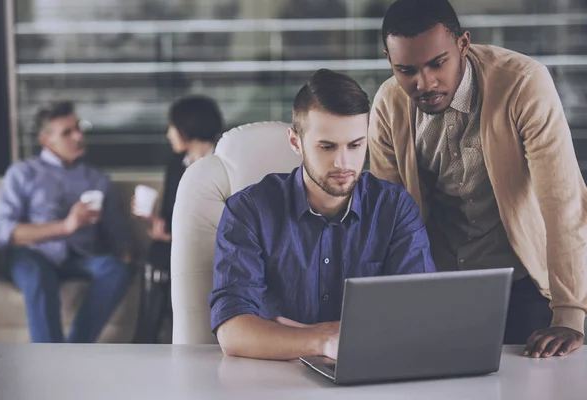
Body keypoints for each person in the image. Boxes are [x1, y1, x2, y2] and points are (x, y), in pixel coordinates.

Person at [368, 0, 587, 359]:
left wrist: (570, 313)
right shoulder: (388, 105)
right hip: (437, 286)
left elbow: (562, 200)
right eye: (406, 70)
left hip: (524, 283)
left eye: (437, 63)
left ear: (463, 45)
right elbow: (389, 219)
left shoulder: (524, 84)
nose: (425, 83)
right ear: (389, 60)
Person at [209, 69, 436, 361]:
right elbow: (233, 332)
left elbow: (417, 319)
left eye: (355, 145)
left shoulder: (394, 209)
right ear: (295, 142)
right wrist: (324, 340)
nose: (343, 162)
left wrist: (290, 335)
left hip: (369, 379)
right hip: (272, 383)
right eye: (327, 147)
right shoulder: (248, 211)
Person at [0, 100, 134, 343]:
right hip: (32, 255)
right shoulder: (23, 173)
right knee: (37, 276)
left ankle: (72, 350)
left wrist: (127, 252)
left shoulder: (97, 180)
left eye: (78, 128)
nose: (78, 136)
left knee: (115, 269)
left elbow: (118, 235)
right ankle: (51, 357)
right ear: (45, 140)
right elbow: (3, 231)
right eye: (67, 132)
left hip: (79, 257)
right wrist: (66, 226)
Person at [132, 95, 222, 343]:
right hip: (178, 243)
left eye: (172, 127)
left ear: (188, 128)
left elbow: (228, 221)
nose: (169, 134)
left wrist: (172, 236)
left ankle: (152, 340)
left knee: (164, 258)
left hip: (217, 243)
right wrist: (154, 221)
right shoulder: (176, 164)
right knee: (156, 256)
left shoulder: (224, 163)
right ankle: (147, 338)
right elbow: (171, 216)